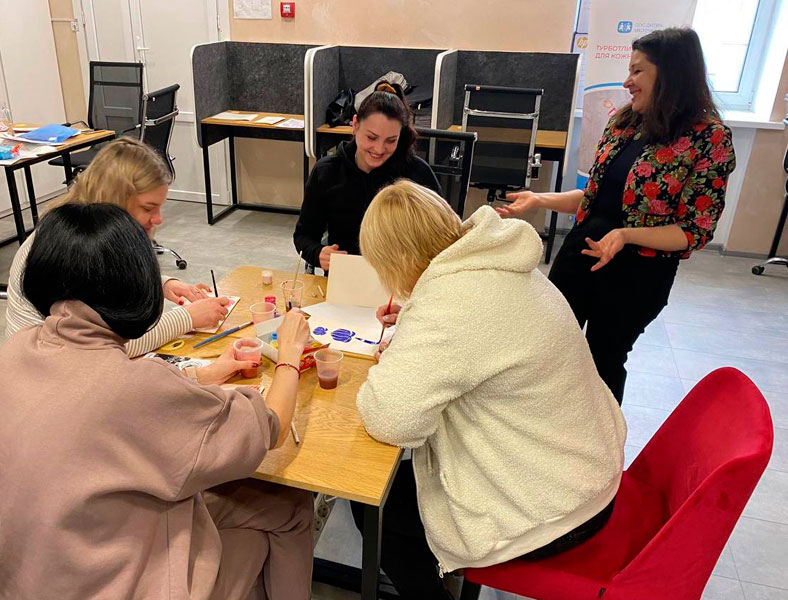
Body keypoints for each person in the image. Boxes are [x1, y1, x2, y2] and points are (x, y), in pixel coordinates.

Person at [0, 203, 314, 600]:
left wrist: (202, 376)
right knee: (289, 505)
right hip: (111, 580)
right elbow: (270, 427)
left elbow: (92, 405)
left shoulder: (15, 352)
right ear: (138, 285)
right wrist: (290, 354)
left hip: (33, 577)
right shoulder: (134, 386)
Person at [354, 180, 627, 599]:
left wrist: (414, 334)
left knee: (375, 505)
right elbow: (482, 332)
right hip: (585, 470)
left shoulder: (451, 304)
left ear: (397, 261)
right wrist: (416, 321)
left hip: (554, 511)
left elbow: (392, 420)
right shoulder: (494, 263)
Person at [498, 28, 736, 403]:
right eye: (629, 70)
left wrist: (626, 235)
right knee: (551, 350)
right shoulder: (625, 123)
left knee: (603, 360)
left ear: (671, 74)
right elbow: (596, 196)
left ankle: (600, 437)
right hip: (581, 255)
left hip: (638, 274)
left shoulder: (709, 139)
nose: (628, 82)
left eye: (638, 71)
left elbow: (694, 231)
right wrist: (539, 199)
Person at [5, 137, 229, 358]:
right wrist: (187, 318)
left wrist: (162, 283)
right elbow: (111, 345)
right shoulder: (78, 247)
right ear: (116, 199)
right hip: (44, 368)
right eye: (148, 208)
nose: (158, 219)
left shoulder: (89, 229)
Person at [293, 81, 441, 271]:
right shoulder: (327, 171)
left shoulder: (417, 173)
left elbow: (441, 236)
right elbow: (303, 236)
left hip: (402, 277)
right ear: (355, 125)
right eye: (371, 137)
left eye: (391, 141)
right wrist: (318, 253)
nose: (379, 149)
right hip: (347, 275)